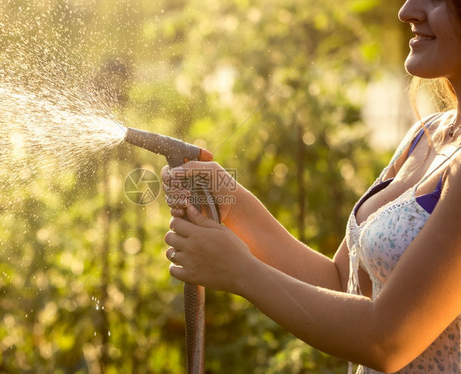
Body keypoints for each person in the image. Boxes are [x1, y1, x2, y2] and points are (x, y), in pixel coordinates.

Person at [160, 0, 461, 373]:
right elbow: (340, 283)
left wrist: (239, 270)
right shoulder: (428, 135)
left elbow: (386, 339)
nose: (406, 11)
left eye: (434, 0)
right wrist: (231, 200)